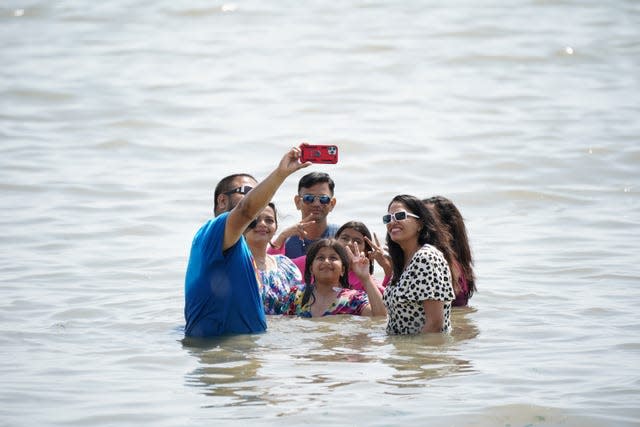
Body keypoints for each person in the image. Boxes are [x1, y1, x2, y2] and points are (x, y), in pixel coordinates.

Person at [183, 146, 310, 338]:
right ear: (222, 201)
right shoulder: (212, 233)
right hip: (220, 356)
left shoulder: (242, 249)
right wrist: (280, 174)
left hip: (245, 354)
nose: (255, 197)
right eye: (248, 191)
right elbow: (245, 210)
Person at [382, 195, 457, 335]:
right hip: (400, 351)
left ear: (420, 223)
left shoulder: (426, 258)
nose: (393, 222)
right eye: (388, 218)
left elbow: (435, 324)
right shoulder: (402, 261)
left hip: (420, 353)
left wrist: (416, 354)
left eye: (399, 215)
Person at [284, 239, 386, 317]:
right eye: (320, 258)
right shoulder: (296, 295)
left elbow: (380, 318)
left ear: (342, 270)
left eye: (333, 258)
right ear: (311, 269)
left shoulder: (353, 299)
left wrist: (366, 278)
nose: (326, 262)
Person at [290, 221, 392, 292]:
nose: (349, 243)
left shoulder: (364, 279)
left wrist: (387, 269)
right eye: (344, 238)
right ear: (335, 241)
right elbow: (279, 267)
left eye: (357, 241)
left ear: (365, 251)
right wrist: (282, 237)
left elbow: (386, 304)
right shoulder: (314, 262)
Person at [243, 202, 304, 315]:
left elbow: (296, 307)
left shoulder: (285, 265)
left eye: (269, 220)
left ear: (275, 228)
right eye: (255, 219)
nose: (262, 224)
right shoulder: (234, 263)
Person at [268, 172, 339, 258]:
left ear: (332, 204)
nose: (316, 204)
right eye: (309, 198)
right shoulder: (284, 241)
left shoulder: (341, 237)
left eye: (323, 199)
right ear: (297, 202)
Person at [423, 196, 476, 307]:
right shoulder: (457, 263)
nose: (420, 223)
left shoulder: (438, 263)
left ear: (448, 227)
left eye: (428, 218)